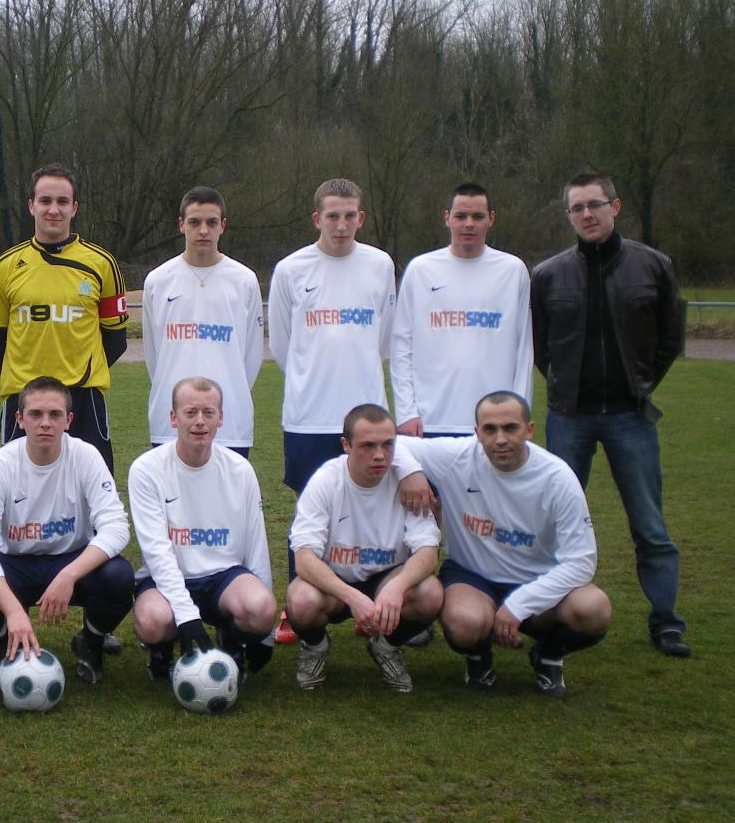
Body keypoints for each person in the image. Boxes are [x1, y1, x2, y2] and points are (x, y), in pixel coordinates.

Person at [531, 172, 689, 658]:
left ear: (615, 207)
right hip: (569, 417)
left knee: (649, 525)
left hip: (630, 416)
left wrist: (641, 384)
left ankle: (665, 621)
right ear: (568, 216)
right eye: (577, 208)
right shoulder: (549, 275)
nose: (587, 215)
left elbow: (670, 339)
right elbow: (540, 347)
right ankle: (549, 610)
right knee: (554, 522)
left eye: (595, 205)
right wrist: (564, 387)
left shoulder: (653, 266)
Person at [397, 391, 612, 697]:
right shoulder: (457, 456)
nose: (500, 439)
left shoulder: (557, 477)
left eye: (510, 428)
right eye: (489, 429)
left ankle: (548, 655)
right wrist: (413, 473)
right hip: (472, 578)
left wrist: (518, 605)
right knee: (464, 623)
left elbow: (581, 562)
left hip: (536, 580)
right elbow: (394, 443)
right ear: (476, 433)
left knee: (594, 609)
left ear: (529, 430)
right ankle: (478, 655)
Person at [267, 178, 396, 643]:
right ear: (316, 218)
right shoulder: (290, 269)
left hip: (366, 414)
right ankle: (295, 611)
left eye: (350, 216)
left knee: (374, 508)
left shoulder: (380, 265)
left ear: (361, 218)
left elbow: (383, 340)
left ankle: (377, 606)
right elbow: (283, 345)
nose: (341, 225)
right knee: (307, 512)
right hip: (308, 416)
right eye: (332, 215)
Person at [0, 376, 133, 684]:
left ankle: (91, 640)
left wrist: (69, 575)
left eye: (55, 415)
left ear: (69, 420)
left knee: (119, 577)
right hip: (15, 564)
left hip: (69, 561)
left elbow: (116, 527)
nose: (45, 423)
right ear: (20, 419)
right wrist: (13, 611)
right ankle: (4, 640)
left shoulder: (85, 456)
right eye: (36, 414)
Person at [0, 162, 129, 474]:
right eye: (45, 201)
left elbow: (115, 340)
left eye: (62, 202)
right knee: (19, 494)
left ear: (74, 208)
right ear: (31, 206)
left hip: (84, 399)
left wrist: (80, 374)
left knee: (92, 496)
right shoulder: (4, 266)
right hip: (24, 398)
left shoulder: (102, 264)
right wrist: (31, 382)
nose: (53, 210)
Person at [285, 404, 443, 693]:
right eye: (367, 446)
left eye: (387, 444)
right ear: (346, 445)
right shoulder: (325, 480)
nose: (380, 455)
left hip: (386, 580)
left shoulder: (408, 484)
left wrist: (397, 588)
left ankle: (386, 647)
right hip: (336, 584)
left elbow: (428, 552)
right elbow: (304, 559)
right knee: (301, 600)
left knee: (430, 593)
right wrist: (352, 597)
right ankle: (315, 647)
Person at [128, 377, 276, 682]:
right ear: (173, 418)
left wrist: (264, 634)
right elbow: (156, 550)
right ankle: (162, 650)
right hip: (167, 579)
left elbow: (256, 545)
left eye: (208, 413)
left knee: (260, 608)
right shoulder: (146, 470)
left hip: (223, 578)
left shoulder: (240, 469)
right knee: (153, 620)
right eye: (190, 412)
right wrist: (185, 616)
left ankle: (233, 642)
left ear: (220, 418)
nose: (199, 422)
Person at [391, 183, 532, 438]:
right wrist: (406, 412)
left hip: (494, 424)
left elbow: (524, 349)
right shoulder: (421, 270)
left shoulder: (513, 271)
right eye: (460, 216)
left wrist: (518, 414)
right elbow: (401, 345)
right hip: (429, 422)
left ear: (491, 219)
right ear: (447, 218)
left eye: (478, 216)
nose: (469, 224)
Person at [141, 186, 263, 456]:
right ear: (181, 225)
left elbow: (251, 357)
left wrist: (228, 392)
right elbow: (154, 356)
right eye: (195, 222)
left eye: (212, 222)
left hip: (230, 423)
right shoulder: (158, 281)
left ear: (223, 226)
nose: (204, 230)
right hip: (170, 423)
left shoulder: (244, 280)